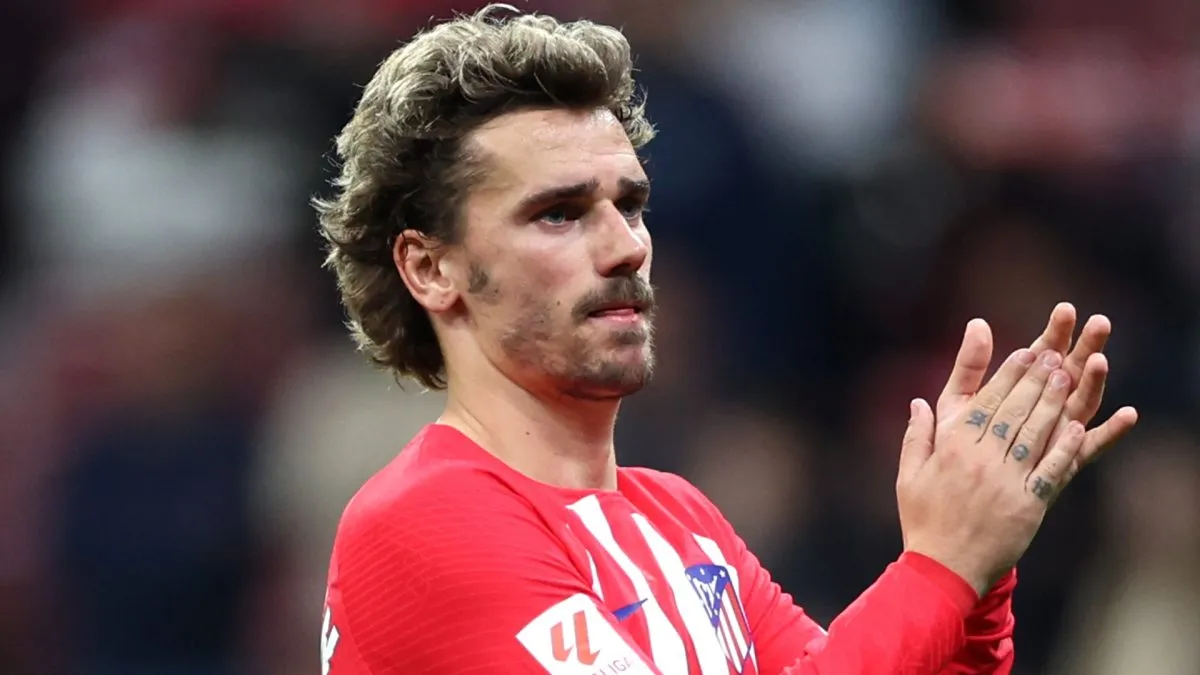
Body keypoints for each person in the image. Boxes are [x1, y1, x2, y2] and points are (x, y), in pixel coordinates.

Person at [313, 5, 1139, 674]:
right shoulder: (419, 519)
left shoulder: (682, 519)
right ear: (430, 268)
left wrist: (980, 569)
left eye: (629, 204)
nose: (626, 245)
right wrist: (941, 564)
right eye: (558, 212)